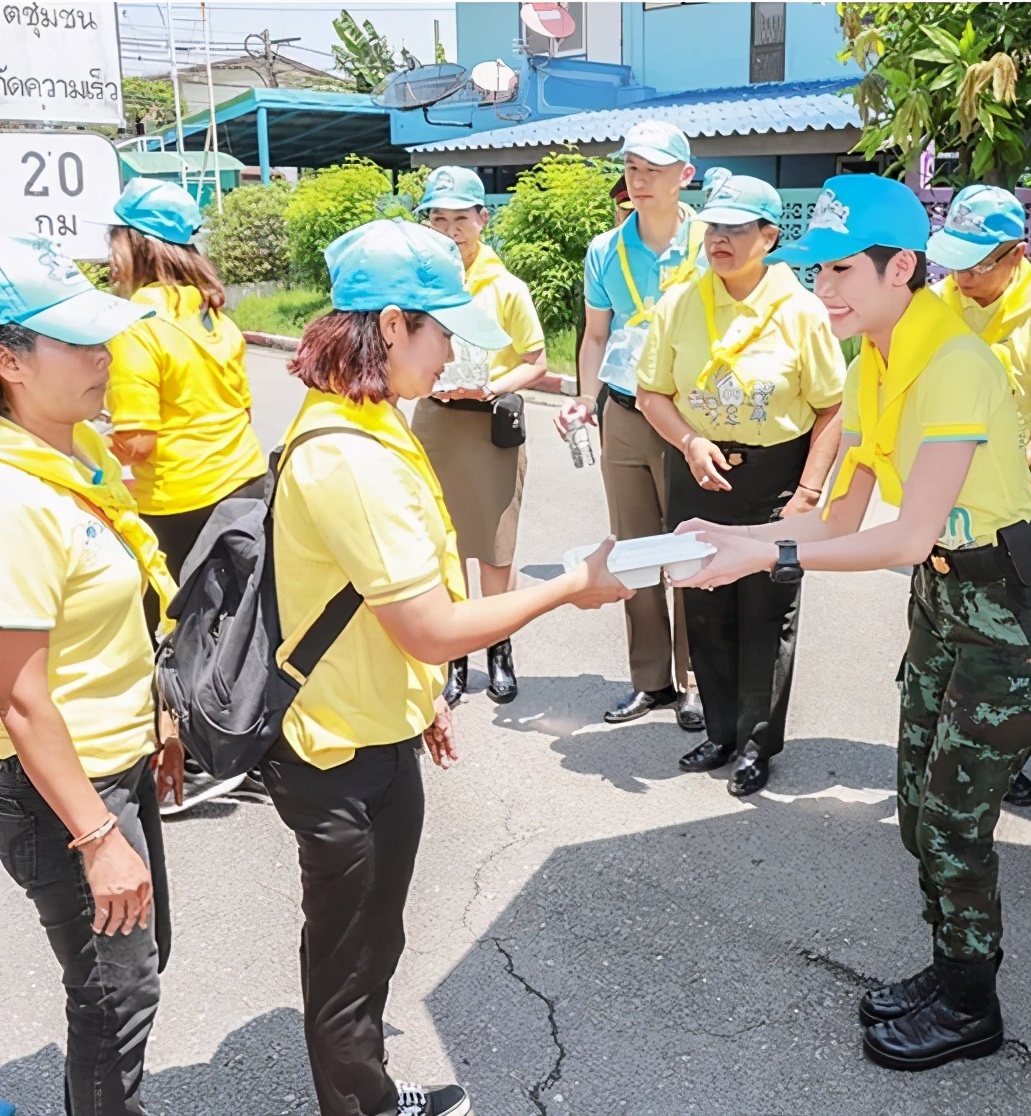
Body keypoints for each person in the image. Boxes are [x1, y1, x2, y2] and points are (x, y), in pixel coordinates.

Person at [673, 176, 1031, 1070]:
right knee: (918, 809)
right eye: (817, 270)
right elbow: (839, 519)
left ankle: (973, 1005)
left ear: (904, 269)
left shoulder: (958, 362)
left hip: (1004, 612)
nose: (827, 290)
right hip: (941, 601)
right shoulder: (872, 359)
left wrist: (767, 559)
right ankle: (949, 966)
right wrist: (735, 535)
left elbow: (909, 530)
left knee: (958, 818)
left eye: (845, 269)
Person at [267, 218, 629, 1116]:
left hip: (373, 721)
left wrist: (421, 693)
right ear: (391, 325)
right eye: (440, 329)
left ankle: (366, 1096)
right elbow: (430, 624)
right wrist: (570, 588)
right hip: (338, 749)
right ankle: (365, 1108)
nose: (453, 350)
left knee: (369, 942)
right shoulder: (352, 454)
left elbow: (395, 608)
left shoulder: (367, 418)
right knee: (350, 959)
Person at [0, 234, 183, 1114]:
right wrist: (96, 836)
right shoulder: (14, 498)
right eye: (77, 344)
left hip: (113, 760)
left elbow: (113, 614)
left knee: (136, 968)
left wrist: (159, 716)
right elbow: (19, 695)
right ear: (10, 361)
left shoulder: (80, 457)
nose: (103, 360)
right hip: (59, 788)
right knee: (116, 996)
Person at [636, 174, 844, 795]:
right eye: (712, 227)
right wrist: (690, 442)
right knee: (703, 603)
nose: (719, 239)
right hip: (699, 469)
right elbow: (652, 392)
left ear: (770, 237)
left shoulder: (802, 310)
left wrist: (807, 493)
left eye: (736, 228)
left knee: (766, 610)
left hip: (776, 478)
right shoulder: (680, 302)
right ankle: (720, 730)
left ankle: (757, 741)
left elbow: (833, 407)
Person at [105, 177, 269, 812]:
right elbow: (241, 405)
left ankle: (195, 758)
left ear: (136, 243)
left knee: (170, 632)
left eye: (115, 236)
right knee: (231, 623)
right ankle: (237, 745)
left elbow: (140, 442)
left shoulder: (135, 323)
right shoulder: (213, 312)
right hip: (243, 484)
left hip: (177, 499)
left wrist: (97, 437)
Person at [928, 185, 1031, 808]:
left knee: (1010, 643)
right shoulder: (938, 304)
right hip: (941, 497)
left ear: (1017, 254)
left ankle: (1005, 757)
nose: (963, 276)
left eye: (978, 263)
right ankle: (942, 748)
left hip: (1012, 504)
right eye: (955, 261)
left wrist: (1010, 469)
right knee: (941, 625)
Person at [556, 121, 705, 732]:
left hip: (690, 413)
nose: (638, 181)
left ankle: (698, 681)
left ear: (684, 176)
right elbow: (595, 335)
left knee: (691, 551)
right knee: (636, 548)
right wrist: (585, 401)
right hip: (623, 410)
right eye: (632, 169)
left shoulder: (708, 243)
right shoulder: (604, 250)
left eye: (653, 169)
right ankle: (651, 680)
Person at [410, 166, 548, 707]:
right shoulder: (419, 286)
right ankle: (454, 657)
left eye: (460, 218)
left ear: (482, 219)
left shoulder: (506, 287)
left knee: (494, 547)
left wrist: (489, 387)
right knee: (442, 541)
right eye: (438, 218)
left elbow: (535, 361)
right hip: (437, 423)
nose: (450, 229)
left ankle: (498, 649)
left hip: (490, 425)